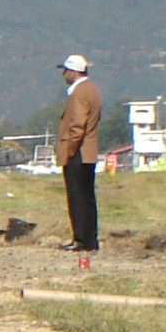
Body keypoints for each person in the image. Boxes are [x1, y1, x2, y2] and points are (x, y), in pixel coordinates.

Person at [56, 53, 103, 252]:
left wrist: (69, 151)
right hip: (89, 151)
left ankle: (81, 239)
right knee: (87, 197)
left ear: (74, 72)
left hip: (79, 152)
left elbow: (77, 125)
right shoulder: (92, 90)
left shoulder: (79, 93)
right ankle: (90, 238)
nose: (64, 74)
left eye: (66, 70)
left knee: (77, 197)